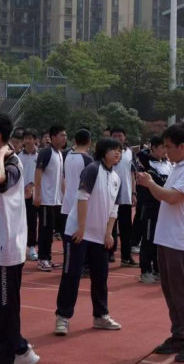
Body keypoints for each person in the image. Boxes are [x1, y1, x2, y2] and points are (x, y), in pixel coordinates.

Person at [139, 124, 184, 363]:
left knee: (182, 293)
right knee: (171, 291)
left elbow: (171, 198)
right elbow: (165, 197)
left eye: (169, 147)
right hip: (167, 238)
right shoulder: (178, 168)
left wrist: (149, 183)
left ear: (182, 146)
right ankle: (179, 335)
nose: (166, 151)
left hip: (180, 240)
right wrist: (151, 184)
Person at [0, 111, 40, 364]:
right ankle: (20, 350)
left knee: (6, 309)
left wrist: (2, 152)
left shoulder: (11, 163)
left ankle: (16, 354)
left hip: (6, 250)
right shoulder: (1, 159)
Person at [54, 137, 123, 336]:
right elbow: (82, 198)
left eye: (119, 150)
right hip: (78, 233)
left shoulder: (116, 178)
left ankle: (101, 316)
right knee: (72, 275)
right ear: (103, 151)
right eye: (113, 149)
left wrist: (108, 233)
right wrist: (82, 227)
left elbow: (114, 209)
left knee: (100, 277)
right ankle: (62, 317)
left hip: (99, 236)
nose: (117, 153)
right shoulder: (92, 169)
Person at [135, 136, 171, 284]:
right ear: (153, 148)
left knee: (161, 240)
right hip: (151, 207)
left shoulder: (168, 164)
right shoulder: (146, 164)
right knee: (149, 239)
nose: (165, 150)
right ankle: (145, 271)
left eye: (166, 147)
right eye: (162, 147)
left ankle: (157, 268)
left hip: (165, 207)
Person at [33, 125, 67, 271]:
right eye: (62, 135)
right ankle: (42, 259)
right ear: (53, 137)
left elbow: (61, 177)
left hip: (56, 200)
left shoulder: (59, 153)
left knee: (53, 230)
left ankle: (48, 258)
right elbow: (38, 172)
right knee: (45, 230)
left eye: (65, 135)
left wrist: (64, 196)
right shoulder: (46, 152)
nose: (64, 138)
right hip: (46, 200)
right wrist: (37, 194)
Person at [59, 129, 94, 265]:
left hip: (67, 202)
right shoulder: (87, 159)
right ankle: (81, 265)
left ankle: (69, 262)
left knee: (68, 237)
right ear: (89, 142)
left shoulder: (67, 156)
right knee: (81, 236)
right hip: (79, 204)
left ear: (75, 140)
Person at [110, 127, 138, 267]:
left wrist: (133, 192)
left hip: (125, 196)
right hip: (110, 196)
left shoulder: (129, 153)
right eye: (114, 135)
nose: (117, 138)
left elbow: (133, 173)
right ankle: (109, 253)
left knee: (126, 228)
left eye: (120, 135)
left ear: (124, 137)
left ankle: (126, 257)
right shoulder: (106, 151)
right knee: (110, 226)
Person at [18, 129, 39, 262]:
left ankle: (31, 247)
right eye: (25, 138)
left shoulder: (40, 156)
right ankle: (20, 246)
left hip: (34, 193)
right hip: (20, 193)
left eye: (30, 138)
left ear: (35, 140)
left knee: (32, 220)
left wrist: (33, 186)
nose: (27, 141)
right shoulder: (18, 156)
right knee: (19, 220)